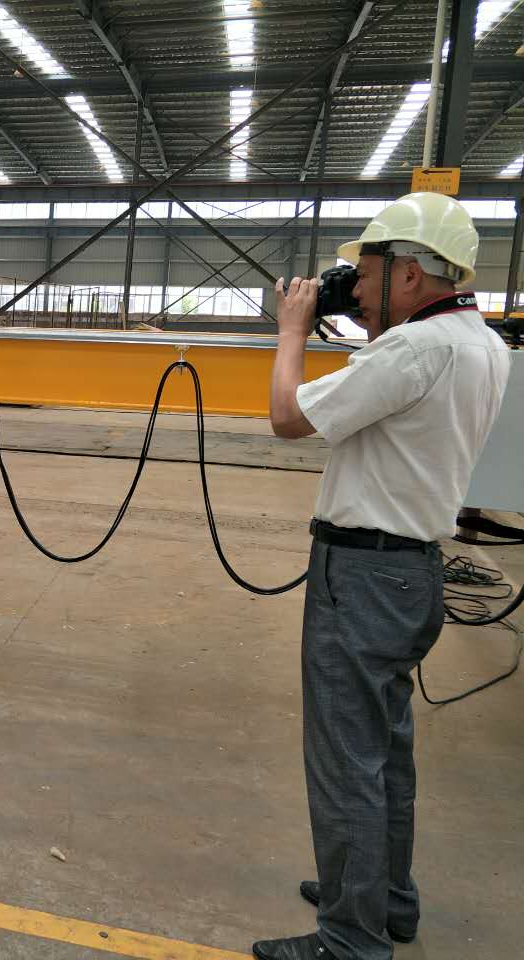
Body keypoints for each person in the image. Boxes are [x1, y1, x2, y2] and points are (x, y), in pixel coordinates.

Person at [256, 193, 510, 960]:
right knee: (385, 753)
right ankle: (384, 898)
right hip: (411, 574)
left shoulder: (411, 352)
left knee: (346, 762)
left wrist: (292, 331)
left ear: (409, 274)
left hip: (364, 576)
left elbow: (288, 416)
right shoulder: (480, 344)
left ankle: (350, 939)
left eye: (364, 274)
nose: (355, 288)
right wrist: (366, 324)